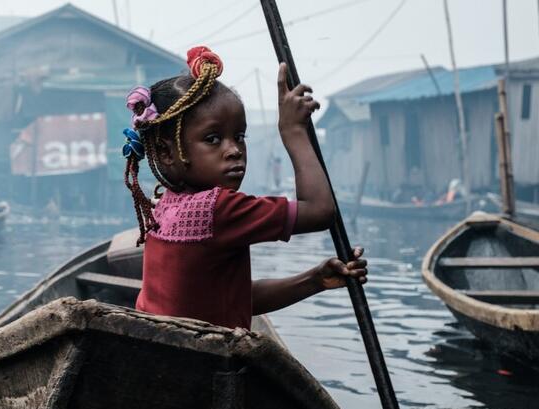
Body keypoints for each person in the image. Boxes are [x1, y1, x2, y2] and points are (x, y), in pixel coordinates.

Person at [121, 46, 367, 330]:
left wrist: (314, 280)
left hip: (158, 347)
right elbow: (320, 210)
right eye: (213, 139)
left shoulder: (165, 205)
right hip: (207, 363)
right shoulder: (219, 208)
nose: (234, 150)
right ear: (167, 153)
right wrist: (293, 131)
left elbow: (232, 299)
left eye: (239, 136)